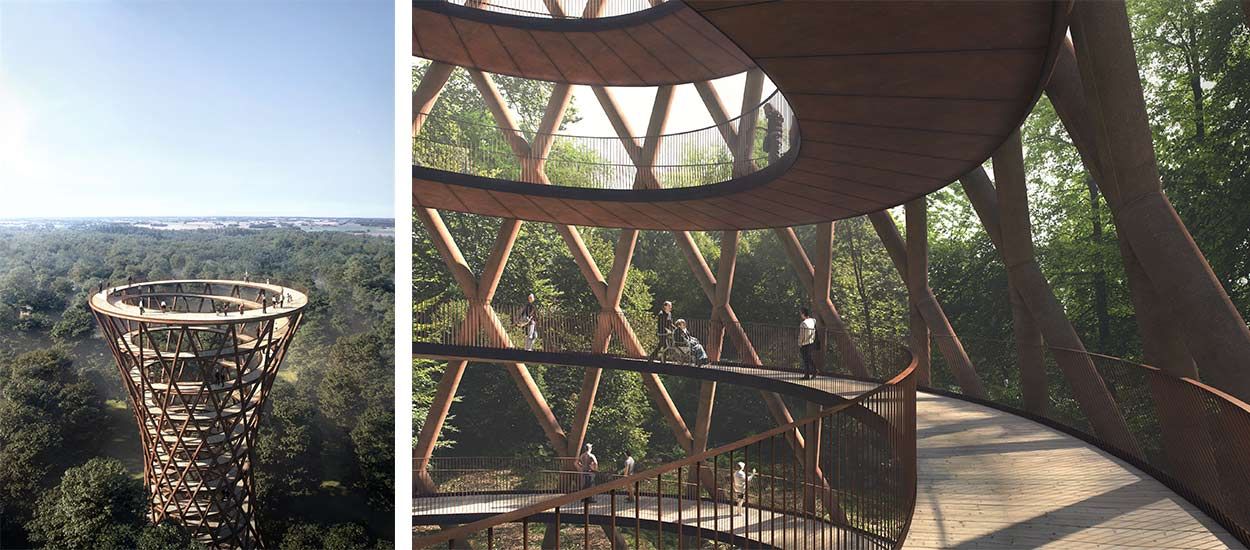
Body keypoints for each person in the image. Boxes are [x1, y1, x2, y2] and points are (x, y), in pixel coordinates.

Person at [798, 307, 818, 379]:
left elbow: (802, 335)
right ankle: (814, 371)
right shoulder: (813, 320)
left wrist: (800, 343)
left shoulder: (803, 324)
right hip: (811, 342)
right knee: (809, 358)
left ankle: (808, 375)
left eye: (801, 314)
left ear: (803, 314)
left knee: (806, 359)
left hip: (804, 343)